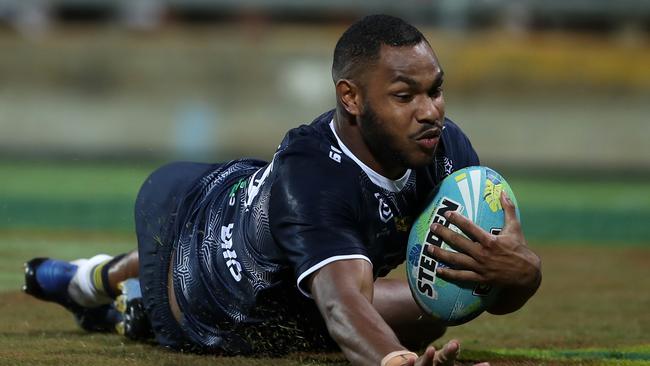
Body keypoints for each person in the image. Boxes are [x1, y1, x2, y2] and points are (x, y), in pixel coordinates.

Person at [23, 14, 542, 366]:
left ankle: (116, 296)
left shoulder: (444, 149)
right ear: (351, 98)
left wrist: (520, 274)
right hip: (205, 292)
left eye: (436, 90)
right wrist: (391, 359)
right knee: (155, 280)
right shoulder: (313, 173)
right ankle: (91, 279)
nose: (430, 111)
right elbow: (342, 304)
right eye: (405, 95)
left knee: (436, 306)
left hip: (280, 255)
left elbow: (485, 290)